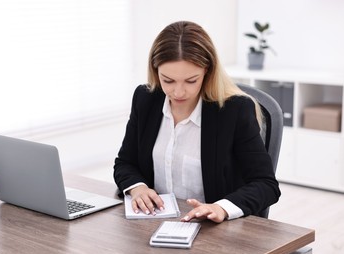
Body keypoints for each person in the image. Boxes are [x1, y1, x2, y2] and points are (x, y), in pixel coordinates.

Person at [113, 21, 280, 223]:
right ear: (155, 70)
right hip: (153, 224)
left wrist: (221, 207)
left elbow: (266, 185)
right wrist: (137, 187)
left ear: (207, 72)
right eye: (168, 80)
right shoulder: (146, 98)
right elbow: (125, 163)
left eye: (191, 81)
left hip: (212, 232)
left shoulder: (234, 110)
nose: (178, 92)